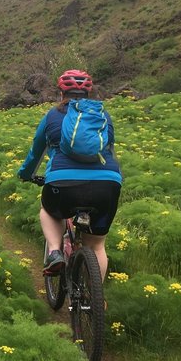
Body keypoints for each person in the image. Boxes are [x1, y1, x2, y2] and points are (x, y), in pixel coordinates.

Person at [17, 70, 122, 280]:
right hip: (108, 183)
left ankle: (55, 251)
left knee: (49, 211)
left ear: (60, 92)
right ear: (89, 93)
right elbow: (109, 151)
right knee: (97, 245)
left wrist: (25, 174)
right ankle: (97, 302)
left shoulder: (52, 116)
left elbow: (36, 153)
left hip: (62, 182)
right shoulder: (103, 116)